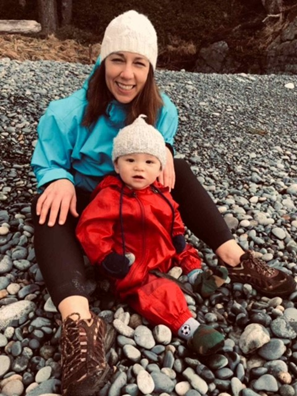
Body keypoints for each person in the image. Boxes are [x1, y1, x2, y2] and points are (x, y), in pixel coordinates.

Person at [30, 9, 296, 396]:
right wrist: (56, 178)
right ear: (102, 60)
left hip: (136, 198)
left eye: (139, 63)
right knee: (49, 207)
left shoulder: (162, 110)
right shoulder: (66, 113)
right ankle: (80, 326)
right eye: (117, 59)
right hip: (91, 202)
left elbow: (159, 153)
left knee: (180, 167)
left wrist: (165, 149)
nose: (127, 73)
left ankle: (237, 259)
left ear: (151, 69)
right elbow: (49, 157)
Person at [76, 114, 229, 357]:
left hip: (161, 251)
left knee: (185, 251)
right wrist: (106, 258)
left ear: (159, 167)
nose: (139, 167)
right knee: (155, 292)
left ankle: (196, 276)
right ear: (117, 165)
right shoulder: (110, 197)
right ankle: (189, 327)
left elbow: (173, 215)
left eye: (149, 162)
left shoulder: (160, 192)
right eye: (130, 160)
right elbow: (91, 229)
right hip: (132, 266)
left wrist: (178, 236)